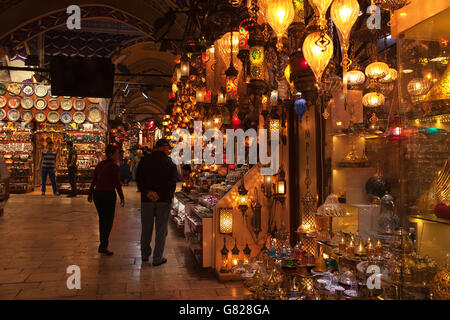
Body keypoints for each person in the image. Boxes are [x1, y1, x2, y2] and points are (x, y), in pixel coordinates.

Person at [136, 139, 177, 266]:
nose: (168, 150)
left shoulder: (144, 160)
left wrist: (148, 192)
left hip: (146, 200)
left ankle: (144, 255)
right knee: (161, 230)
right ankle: (157, 258)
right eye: (168, 148)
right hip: (163, 201)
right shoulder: (170, 163)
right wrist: (160, 194)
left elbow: (138, 179)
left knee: (146, 228)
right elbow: (172, 183)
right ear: (163, 148)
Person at [88, 144, 125, 256]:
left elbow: (94, 179)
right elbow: (117, 183)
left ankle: (103, 244)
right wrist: (121, 196)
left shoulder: (100, 164)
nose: (119, 155)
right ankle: (103, 246)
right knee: (108, 221)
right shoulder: (113, 166)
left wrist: (90, 193)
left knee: (102, 220)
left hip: (98, 194)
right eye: (117, 153)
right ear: (112, 154)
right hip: (108, 194)